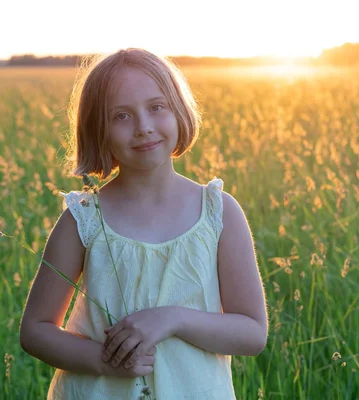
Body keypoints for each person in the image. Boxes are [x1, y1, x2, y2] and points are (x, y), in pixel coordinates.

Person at [19, 48, 268, 400]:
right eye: (121, 116)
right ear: (97, 130)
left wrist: (172, 319)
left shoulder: (218, 212)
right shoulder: (85, 219)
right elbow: (35, 331)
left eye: (156, 107)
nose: (143, 127)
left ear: (178, 111)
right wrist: (104, 361)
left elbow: (252, 334)